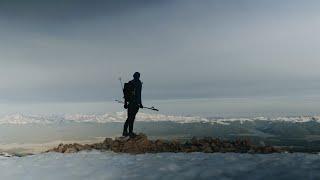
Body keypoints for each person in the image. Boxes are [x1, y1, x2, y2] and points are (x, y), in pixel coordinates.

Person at [122, 72, 143, 137]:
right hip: (135, 103)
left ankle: (125, 132)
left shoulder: (130, 83)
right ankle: (130, 132)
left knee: (130, 118)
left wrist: (125, 103)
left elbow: (126, 94)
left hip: (130, 103)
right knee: (131, 118)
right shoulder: (139, 83)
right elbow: (139, 94)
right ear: (138, 76)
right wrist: (140, 103)